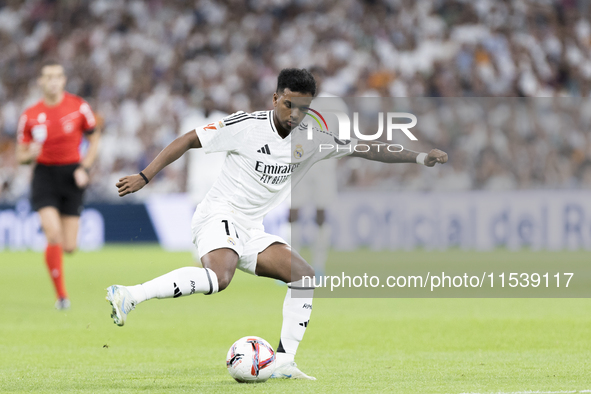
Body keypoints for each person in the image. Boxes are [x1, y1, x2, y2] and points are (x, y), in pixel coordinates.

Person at [106, 68, 447, 380]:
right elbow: (188, 140)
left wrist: (418, 156)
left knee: (303, 275)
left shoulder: (311, 139)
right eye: (288, 105)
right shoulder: (246, 126)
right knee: (218, 278)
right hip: (219, 214)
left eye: (303, 108)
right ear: (275, 98)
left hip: (251, 228)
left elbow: (366, 149)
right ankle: (130, 295)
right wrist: (144, 176)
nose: (294, 115)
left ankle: (285, 360)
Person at [16, 60, 101, 310]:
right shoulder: (29, 115)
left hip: (72, 175)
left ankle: (59, 281)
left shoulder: (79, 107)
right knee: (52, 233)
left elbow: (95, 137)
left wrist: (84, 167)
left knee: (69, 246)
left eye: (57, 76)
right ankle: (62, 297)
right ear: (41, 81)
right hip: (44, 176)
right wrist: (30, 153)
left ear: (63, 81)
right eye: (48, 76)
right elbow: (20, 157)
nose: (53, 81)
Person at [289, 66, 348, 276]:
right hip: (300, 164)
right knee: (292, 212)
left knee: (321, 212)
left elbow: (345, 134)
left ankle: (319, 265)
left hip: (324, 165)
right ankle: (291, 264)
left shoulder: (335, 103)